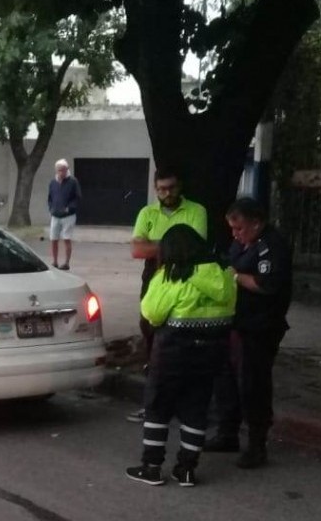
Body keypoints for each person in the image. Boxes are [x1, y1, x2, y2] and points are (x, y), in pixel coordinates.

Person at [125, 224, 235, 488]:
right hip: (211, 353)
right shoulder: (223, 276)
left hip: (174, 352)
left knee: (158, 407)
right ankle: (186, 470)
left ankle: (152, 467)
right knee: (197, 409)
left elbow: (152, 313)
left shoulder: (171, 276)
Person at [205, 197, 294, 469]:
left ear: (256, 222)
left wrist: (233, 276)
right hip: (234, 323)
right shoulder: (242, 242)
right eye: (232, 229)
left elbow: (266, 285)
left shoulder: (272, 246)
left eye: (240, 228)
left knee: (253, 384)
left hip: (260, 326)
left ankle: (257, 445)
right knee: (226, 379)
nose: (235, 234)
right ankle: (227, 433)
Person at [126, 170, 208, 423]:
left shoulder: (196, 211)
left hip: (186, 275)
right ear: (155, 188)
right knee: (150, 330)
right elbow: (137, 250)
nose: (167, 193)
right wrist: (173, 245)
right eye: (161, 189)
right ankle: (154, 401)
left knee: (180, 334)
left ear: (179, 186)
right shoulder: (147, 213)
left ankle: (181, 403)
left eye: (171, 188)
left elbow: (196, 248)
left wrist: (156, 246)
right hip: (154, 276)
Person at [47, 159, 81, 270]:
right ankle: (55, 261)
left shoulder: (73, 181)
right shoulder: (53, 182)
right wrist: (51, 208)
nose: (62, 172)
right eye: (59, 170)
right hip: (55, 215)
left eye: (64, 170)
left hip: (68, 216)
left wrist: (70, 208)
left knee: (66, 238)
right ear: (56, 170)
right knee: (53, 239)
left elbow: (77, 197)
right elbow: (50, 198)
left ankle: (66, 263)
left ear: (67, 170)